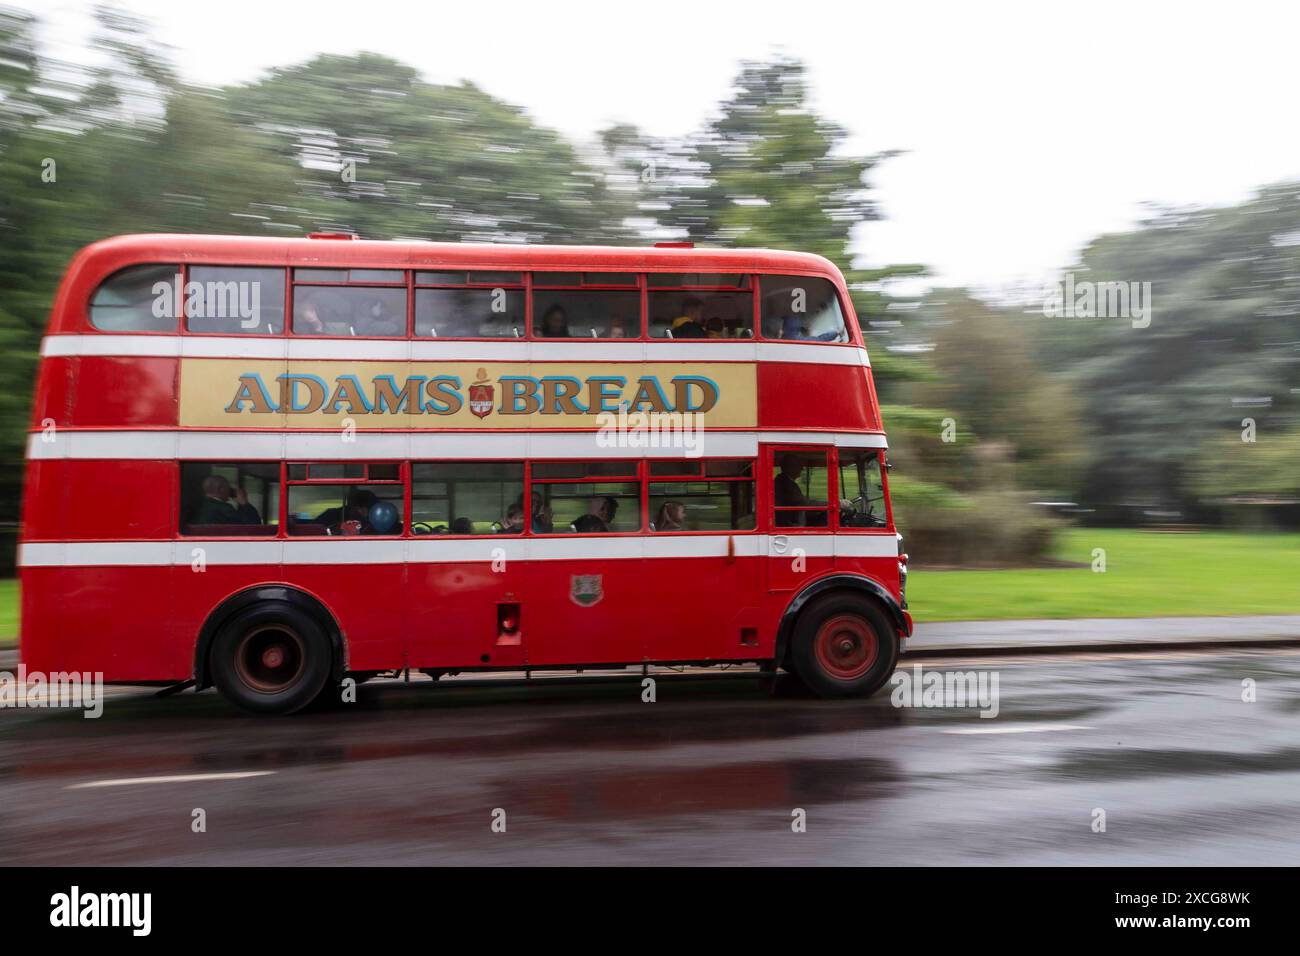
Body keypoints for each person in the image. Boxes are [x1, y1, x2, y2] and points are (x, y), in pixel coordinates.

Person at [190, 475, 261, 525]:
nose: (230, 490)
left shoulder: (198, 505)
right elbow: (252, 525)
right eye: (228, 487)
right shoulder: (224, 508)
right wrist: (244, 503)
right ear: (221, 489)